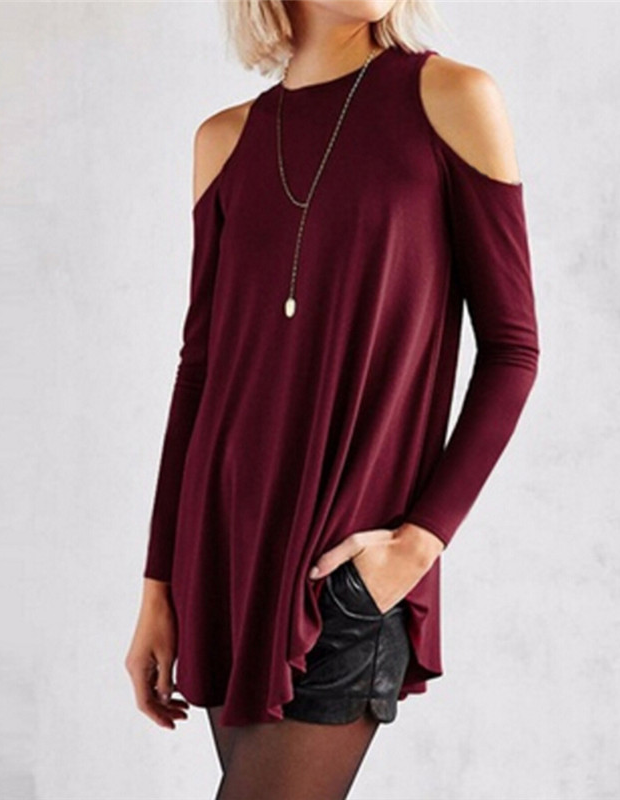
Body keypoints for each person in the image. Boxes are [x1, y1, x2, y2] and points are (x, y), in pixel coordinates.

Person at [125, 1, 540, 797]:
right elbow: (199, 373)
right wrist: (159, 587)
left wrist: (414, 548)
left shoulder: (452, 98)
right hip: (223, 557)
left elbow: (513, 349)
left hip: (344, 566)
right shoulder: (223, 141)